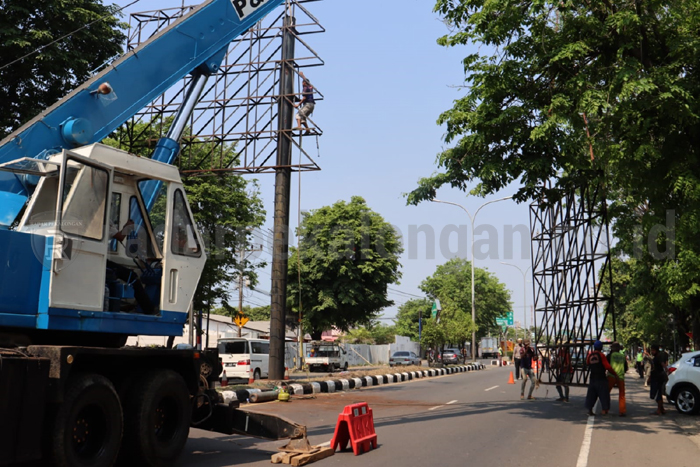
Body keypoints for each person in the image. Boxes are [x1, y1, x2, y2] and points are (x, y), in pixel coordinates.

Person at [108, 220, 155, 315]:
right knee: (132, 277)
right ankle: (149, 310)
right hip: (105, 262)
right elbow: (120, 236)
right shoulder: (105, 219)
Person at [585, 340, 618, 416]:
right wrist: (614, 373)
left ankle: (589, 409)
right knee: (604, 394)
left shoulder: (590, 355)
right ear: (601, 347)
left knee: (591, 394)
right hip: (601, 378)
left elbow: (587, 363)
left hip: (592, 377)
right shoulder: (601, 355)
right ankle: (604, 410)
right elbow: (607, 366)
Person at [607, 342, 628, 416]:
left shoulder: (610, 355)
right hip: (620, 377)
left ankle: (605, 409)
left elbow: (606, 365)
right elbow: (626, 368)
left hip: (611, 376)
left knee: (607, 393)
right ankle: (622, 411)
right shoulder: (622, 356)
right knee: (622, 394)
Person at [649, 344, 668, 415]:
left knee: (658, 394)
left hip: (658, 378)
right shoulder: (656, 357)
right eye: (651, 350)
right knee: (658, 393)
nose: (652, 352)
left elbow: (663, 364)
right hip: (656, 377)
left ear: (656, 350)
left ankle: (659, 410)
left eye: (653, 350)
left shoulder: (658, 357)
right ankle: (662, 409)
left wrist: (666, 370)